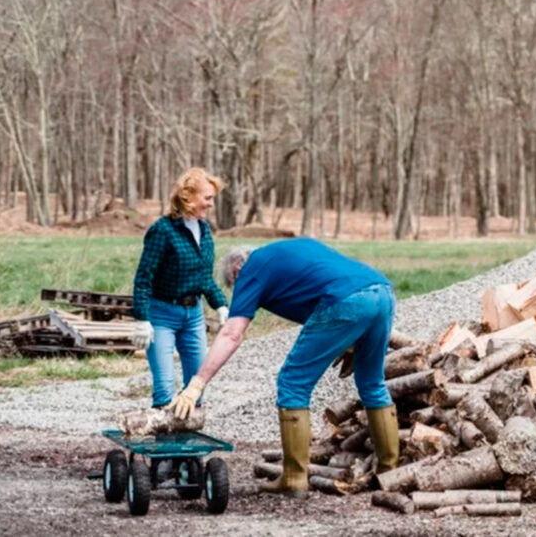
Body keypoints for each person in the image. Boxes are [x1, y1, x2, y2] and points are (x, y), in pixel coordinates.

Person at [169, 238, 398, 498]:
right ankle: (390, 472)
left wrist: (197, 384)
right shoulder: (290, 252)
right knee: (372, 383)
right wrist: (350, 342)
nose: (243, 293)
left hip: (347, 300)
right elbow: (325, 281)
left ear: (237, 271)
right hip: (382, 292)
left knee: (293, 383)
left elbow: (232, 334)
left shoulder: (251, 267)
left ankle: (294, 478)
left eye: (236, 286)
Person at [131, 167, 230, 410]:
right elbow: (144, 277)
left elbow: (204, 276)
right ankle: (164, 444)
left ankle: (189, 446)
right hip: (162, 315)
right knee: (165, 391)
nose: (210, 204)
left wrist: (220, 305)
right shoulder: (163, 230)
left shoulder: (204, 230)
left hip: (193, 316)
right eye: (207, 198)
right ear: (188, 197)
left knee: (196, 388)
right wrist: (142, 319)